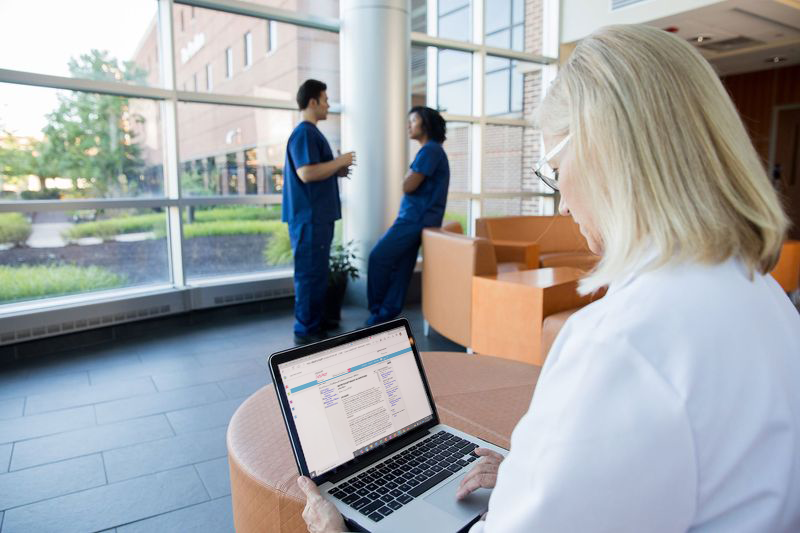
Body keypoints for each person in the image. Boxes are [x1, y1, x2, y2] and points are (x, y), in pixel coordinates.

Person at [296, 24, 800, 532]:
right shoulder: (767, 298)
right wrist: (528, 477)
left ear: (607, 153)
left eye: (556, 171)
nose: (562, 201)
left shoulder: (619, 347)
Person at [283, 79, 355, 345]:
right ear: (312, 102)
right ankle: (305, 330)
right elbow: (307, 173)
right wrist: (339, 162)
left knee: (316, 273)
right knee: (308, 274)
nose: (328, 105)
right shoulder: (304, 133)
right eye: (325, 100)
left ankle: (313, 322)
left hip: (316, 217)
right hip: (309, 218)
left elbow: (316, 170)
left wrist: (336, 169)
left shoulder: (311, 134)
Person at [365, 106, 450, 326]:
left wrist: (408, 176)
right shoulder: (432, 151)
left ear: (426, 124)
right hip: (419, 220)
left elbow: (408, 185)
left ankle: (377, 313)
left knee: (378, 257)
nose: (408, 125)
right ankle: (384, 317)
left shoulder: (430, 150)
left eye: (413, 120)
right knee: (402, 268)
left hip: (414, 220)